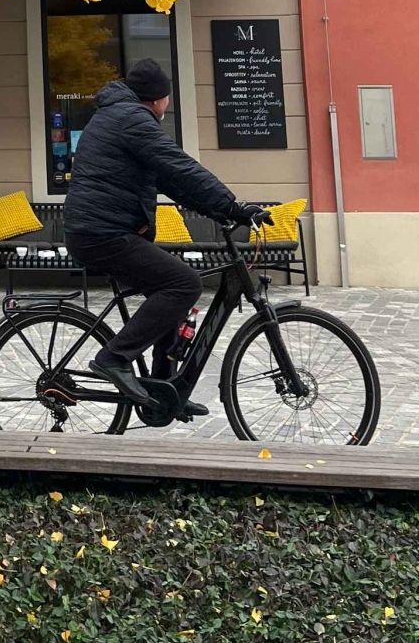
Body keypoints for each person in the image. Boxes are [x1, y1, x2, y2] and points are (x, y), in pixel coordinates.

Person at [63, 58, 271, 416]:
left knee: (170, 296)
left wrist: (222, 211)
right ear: (158, 98)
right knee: (183, 284)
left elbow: (172, 181)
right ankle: (114, 358)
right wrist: (233, 205)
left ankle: (164, 390)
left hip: (100, 231)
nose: (168, 104)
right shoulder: (132, 119)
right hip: (102, 234)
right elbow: (180, 165)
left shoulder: (119, 115)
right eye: (167, 97)